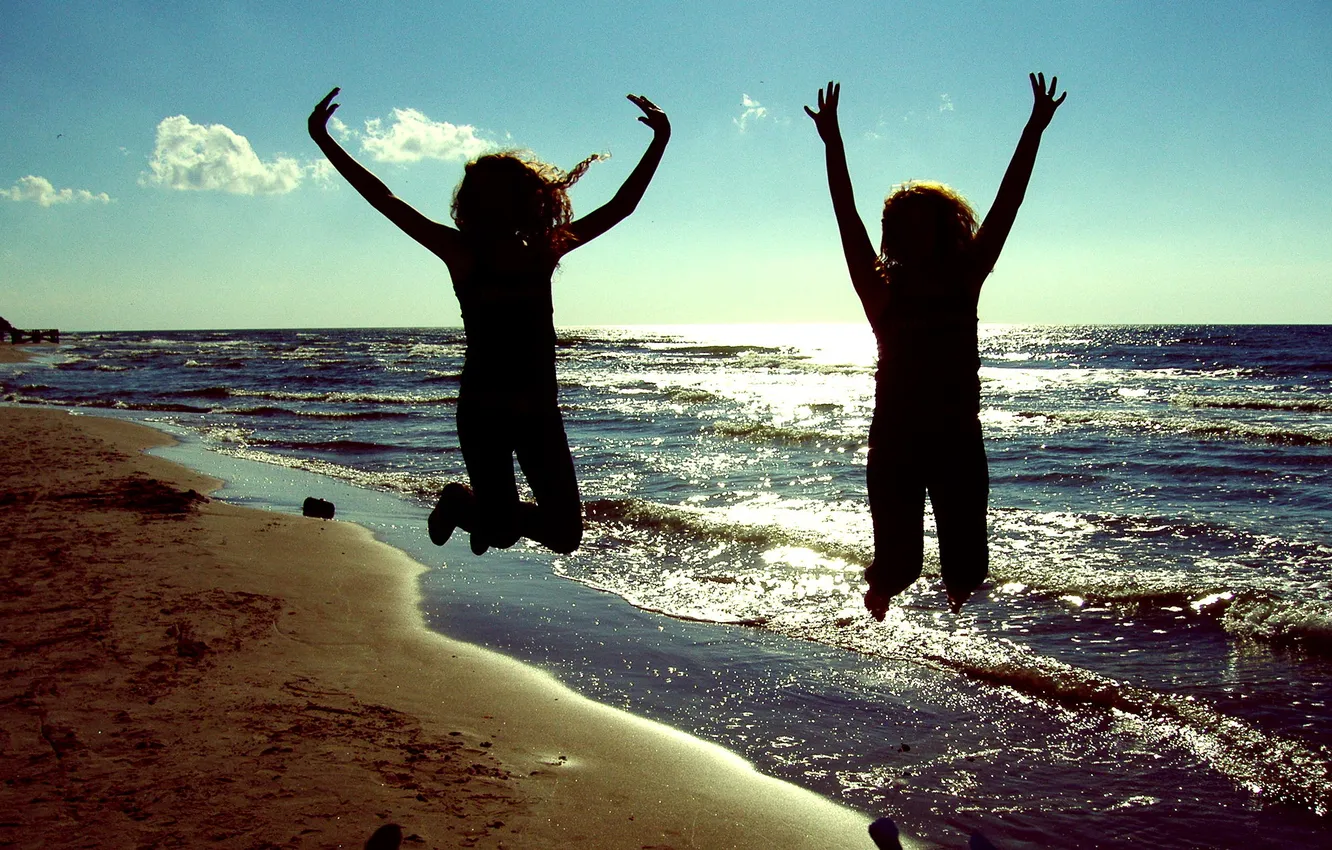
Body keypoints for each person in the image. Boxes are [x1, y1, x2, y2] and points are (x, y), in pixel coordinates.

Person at [308, 87, 670, 555]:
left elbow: (621, 207)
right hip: (485, 411)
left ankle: (471, 508)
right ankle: (463, 504)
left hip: (538, 410)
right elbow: (384, 198)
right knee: (500, 532)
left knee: (564, 534)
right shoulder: (464, 251)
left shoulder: (541, 250)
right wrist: (324, 141)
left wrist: (659, 141)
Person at [805, 73, 1065, 617]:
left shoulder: (964, 277)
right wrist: (833, 144)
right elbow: (845, 216)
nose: (915, 235)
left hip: (957, 437)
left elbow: (1008, 204)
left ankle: (954, 594)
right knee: (898, 565)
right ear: (895, 235)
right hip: (895, 441)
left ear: (945, 228)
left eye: (925, 224)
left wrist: (1035, 129)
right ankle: (882, 586)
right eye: (904, 226)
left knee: (967, 568)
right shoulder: (879, 287)